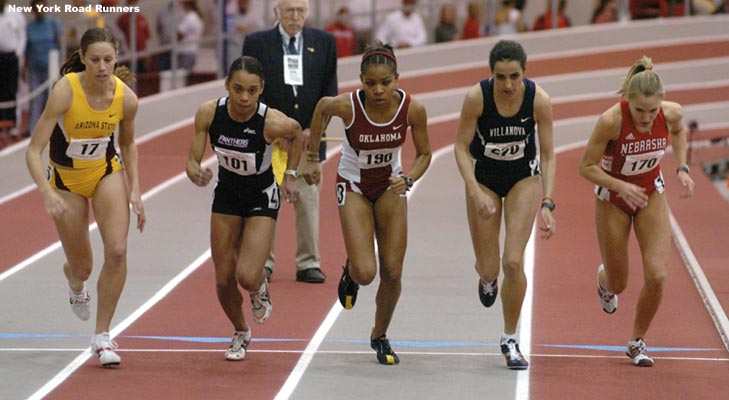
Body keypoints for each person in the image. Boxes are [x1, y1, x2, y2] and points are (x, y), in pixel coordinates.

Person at [302, 42, 431, 365]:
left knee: (393, 272)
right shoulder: (348, 106)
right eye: (370, 83)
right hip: (354, 185)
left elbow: (426, 154)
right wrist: (311, 158)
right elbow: (321, 108)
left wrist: (410, 177)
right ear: (361, 80)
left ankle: (380, 335)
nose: (378, 90)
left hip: (390, 186)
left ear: (397, 79)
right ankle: (351, 271)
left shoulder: (412, 109)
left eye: (385, 83)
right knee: (366, 271)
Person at [24, 27, 146, 367]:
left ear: (117, 58)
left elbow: (129, 143)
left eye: (108, 59)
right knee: (83, 264)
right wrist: (46, 193)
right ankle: (75, 282)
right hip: (66, 180)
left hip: (105, 172)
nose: (102, 67)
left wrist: (136, 188)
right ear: (82, 59)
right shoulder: (65, 91)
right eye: (95, 60)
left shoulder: (126, 99)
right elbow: (33, 151)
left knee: (118, 251)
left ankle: (102, 336)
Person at [578, 56, 694, 367]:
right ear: (628, 101)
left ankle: (636, 341)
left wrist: (682, 166)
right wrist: (619, 184)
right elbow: (585, 167)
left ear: (661, 104)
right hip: (612, 199)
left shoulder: (671, 113)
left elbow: (680, 131)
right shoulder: (611, 121)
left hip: (650, 194)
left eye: (652, 110)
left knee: (657, 275)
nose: (646, 117)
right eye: (639, 110)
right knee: (620, 283)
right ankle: (604, 281)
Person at [186, 56, 303, 361]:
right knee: (223, 280)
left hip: (261, 195)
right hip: (226, 195)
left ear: (261, 89)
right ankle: (241, 331)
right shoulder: (209, 113)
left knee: (247, 276)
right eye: (238, 89)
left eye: (252, 91)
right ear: (227, 85)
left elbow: (297, 134)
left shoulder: (272, 120)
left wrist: (290, 176)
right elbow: (191, 160)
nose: (244, 98)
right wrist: (195, 172)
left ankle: (258, 286)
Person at [453, 40, 556, 370]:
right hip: (484, 179)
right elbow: (459, 148)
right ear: (491, 74)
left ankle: (509, 338)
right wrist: (474, 191)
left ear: (525, 73)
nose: (509, 85)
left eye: (515, 76)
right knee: (490, 266)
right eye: (501, 77)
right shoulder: (477, 98)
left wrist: (548, 203)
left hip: (523, 179)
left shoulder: (539, 100)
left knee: (513, 261)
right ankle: (486, 278)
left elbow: (549, 154)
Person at [242, 0, 338, 284]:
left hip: (309, 141)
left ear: (307, 13)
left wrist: (313, 130)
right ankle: (264, 262)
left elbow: (329, 92)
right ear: (277, 13)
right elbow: (250, 91)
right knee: (266, 200)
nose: (295, 16)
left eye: (300, 11)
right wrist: (275, 128)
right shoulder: (257, 43)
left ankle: (308, 262)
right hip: (270, 139)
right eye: (289, 11)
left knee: (308, 201)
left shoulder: (324, 42)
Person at [25, 0, 63, 138]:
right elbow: (26, 49)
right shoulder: (29, 27)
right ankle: (32, 129)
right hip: (35, 68)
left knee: (52, 99)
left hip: (51, 69)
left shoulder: (53, 24)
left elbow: (60, 45)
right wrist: (25, 68)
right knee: (35, 99)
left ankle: (53, 128)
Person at [0, 0, 27, 139]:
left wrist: (18, 54)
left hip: (11, 57)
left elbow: (22, 36)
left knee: (12, 90)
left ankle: (13, 125)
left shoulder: (15, 15)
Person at [116, 0, 151, 72]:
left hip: (141, 57)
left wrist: (147, 53)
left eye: (135, 2)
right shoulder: (123, 19)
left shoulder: (141, 18)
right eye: (131, 2)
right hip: (129, 58)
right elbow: (119, 39)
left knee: (142, 78)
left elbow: (147, 38)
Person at [177, 0, 204, 72]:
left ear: (187, 5)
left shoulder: (189, 17)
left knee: (183, 76)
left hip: (186, 51)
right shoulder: (197, 17)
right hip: (193, 50)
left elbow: (179, 35)